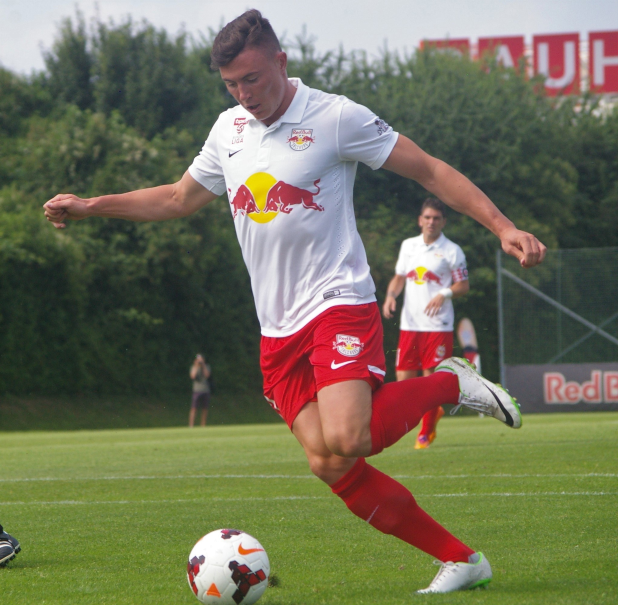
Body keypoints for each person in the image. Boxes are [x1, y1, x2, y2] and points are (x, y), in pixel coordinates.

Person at [43, 9, 546, 594]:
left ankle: (451, 383)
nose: (243, 94)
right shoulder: (227, 131)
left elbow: (430, 169)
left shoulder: (334, 117)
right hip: (278, 329)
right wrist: (91, 205)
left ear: (280, 62)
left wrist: (502, 227)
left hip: (338, 301)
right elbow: (177, 198)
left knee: (350, 436)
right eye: (231, 84)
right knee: (329, 461)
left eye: (252, 79)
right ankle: (462, 560)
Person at [382, 198, 469, 450]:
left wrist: (444, 293)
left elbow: (463, 285)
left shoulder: (452, 251)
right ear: (420, 220)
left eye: (436, 218)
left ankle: (426, 431)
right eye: (427, 218)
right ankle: (422, 417)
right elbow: (399, 277)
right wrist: (390, 296)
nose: (431, 222)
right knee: (403, 380)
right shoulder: (408, 246)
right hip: (410, 325)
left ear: (443, 222)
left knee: (430, 379)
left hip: (438, 325)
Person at [189, 354, 211, 427]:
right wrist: (196, 366)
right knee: (194, 408)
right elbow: (192, 376)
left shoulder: (207, 367)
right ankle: (191, 425)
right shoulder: (193, 367)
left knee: (205, 409)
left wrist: (203, 365)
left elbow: (207, 375)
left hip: (205, 390)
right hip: (196, 390)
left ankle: (203, 424)